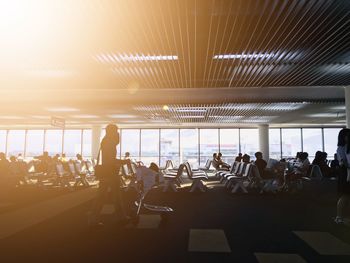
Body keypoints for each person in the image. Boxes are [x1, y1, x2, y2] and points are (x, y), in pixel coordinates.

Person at [88, 123, 131, 227]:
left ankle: (94, 219)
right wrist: (124, 162)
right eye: (116, 132)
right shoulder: (109, 143)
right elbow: (110, 160)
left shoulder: (106, 141)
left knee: (102, 196)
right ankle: (121, 217)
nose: (118, 134)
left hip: (106, 172)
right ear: (112, 132)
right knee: (115, 196)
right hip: (110, 173)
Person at [334, 128, 350, 224]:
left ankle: (341, 216)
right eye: (347, 135)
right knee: (345, 196)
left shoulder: (346, 147)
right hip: (345, 174)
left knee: (346, 196)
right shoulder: (341, 148)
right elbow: (343, 162)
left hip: (346, 173)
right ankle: (339, 216)